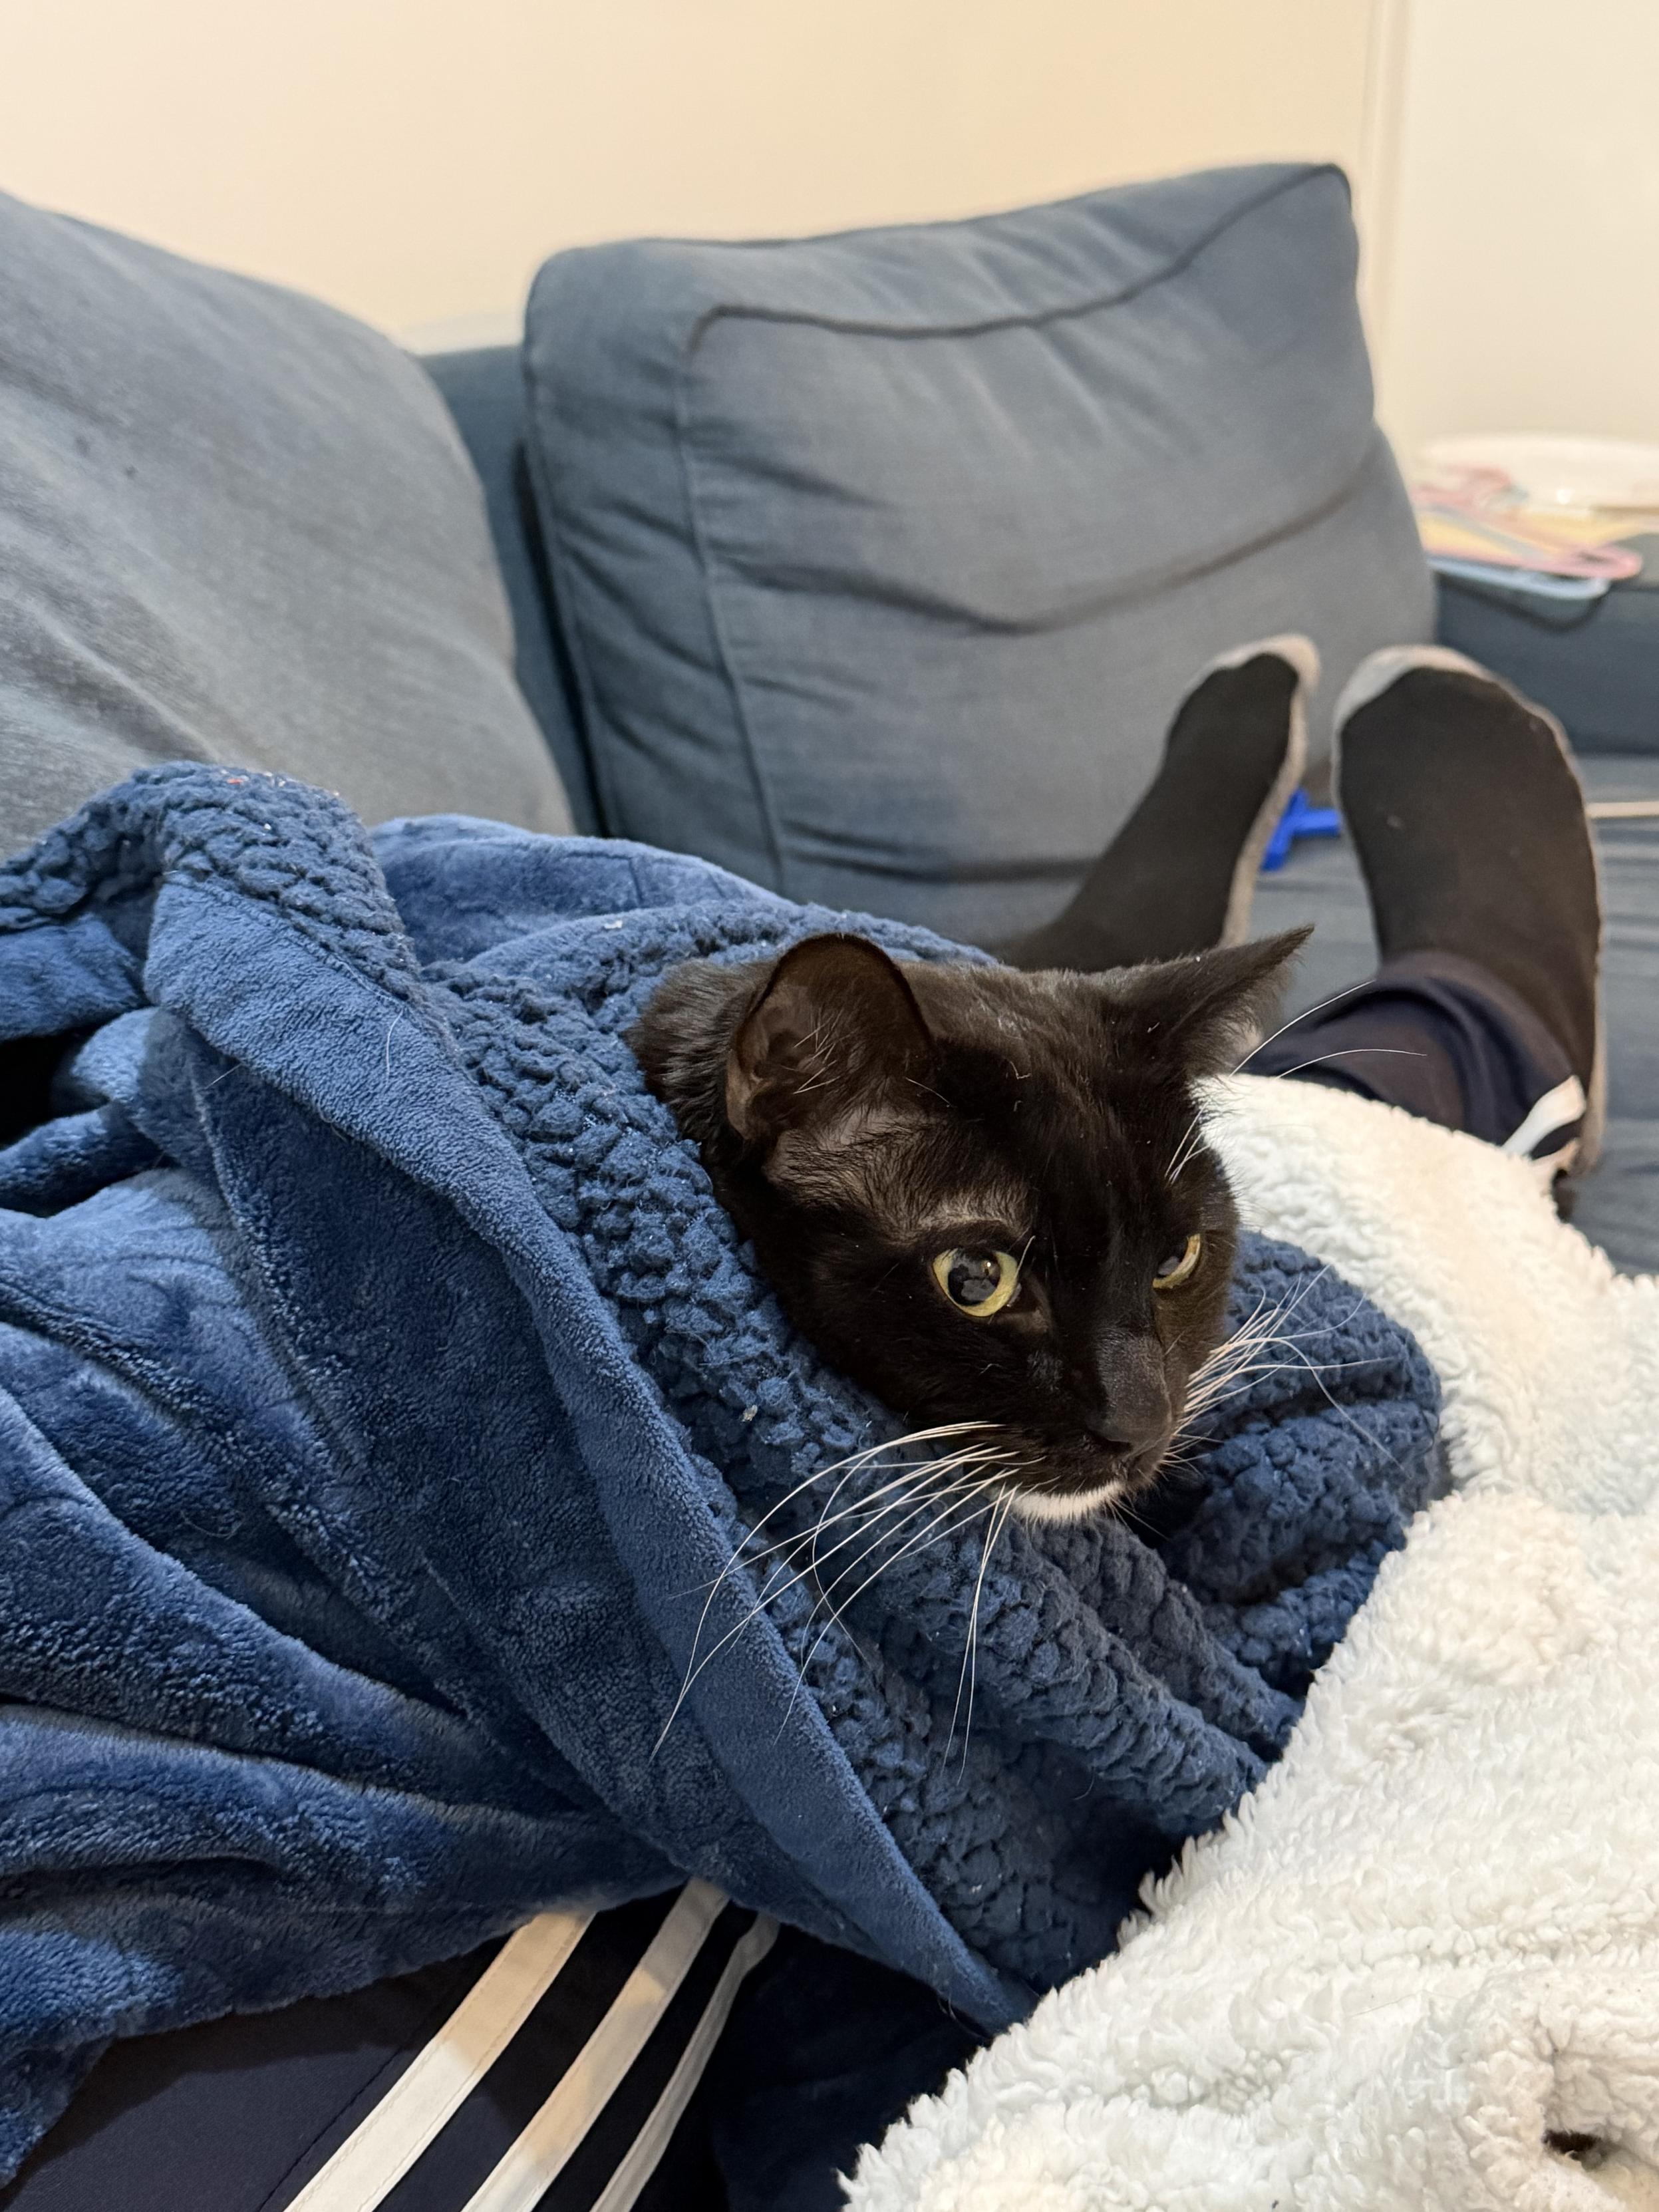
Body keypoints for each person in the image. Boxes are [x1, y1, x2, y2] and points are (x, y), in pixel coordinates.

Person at [0, 641, 1604, 2212]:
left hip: (898, 1070)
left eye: (1175, 1284)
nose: (1134, 1421)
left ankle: (1169, 930)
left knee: (1148, 1110)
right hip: (847, 1089)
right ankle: (1490, 1003)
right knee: (1381, 1128)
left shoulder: (994, 1215)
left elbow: (1073, 1205)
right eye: (983, 1287)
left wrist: (1068, 1261)